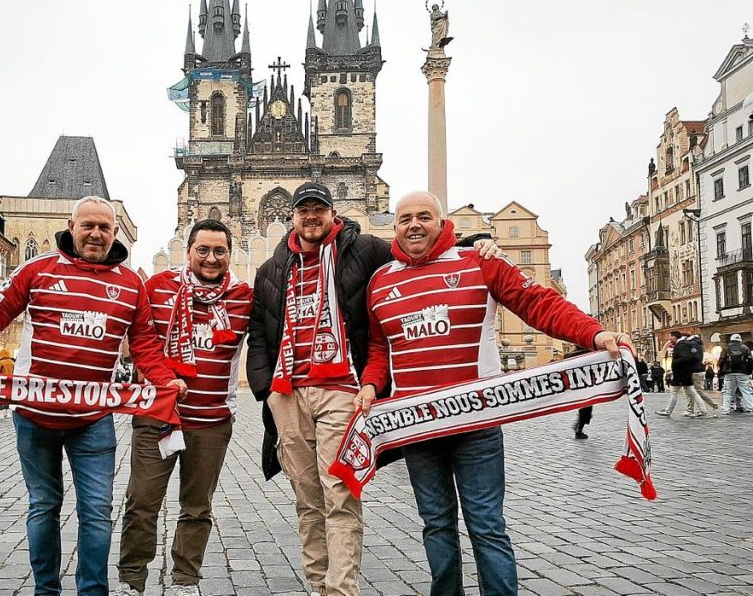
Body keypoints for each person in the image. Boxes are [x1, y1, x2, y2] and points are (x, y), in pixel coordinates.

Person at [0, 195, 185, 596]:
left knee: (97, 514)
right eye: (88, 225)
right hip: (35, 417)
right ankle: (46, 591)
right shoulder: (37, 269)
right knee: (44, 506)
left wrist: (165, 381)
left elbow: (145, 347)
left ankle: (92, 592)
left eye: (104, 227)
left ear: (116, 232)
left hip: (93, 420)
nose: (96, 234)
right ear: (71, 227)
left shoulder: (130, 283)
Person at [360, 191, 628, 596]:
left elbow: (538, 303)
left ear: (441, 222)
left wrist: (593, 332)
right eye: (405, 218)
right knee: (435, 524)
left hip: (476, 423)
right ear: (395, 227)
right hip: (417, 426)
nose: (414, 224)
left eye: (424, 217)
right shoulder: (380, 281)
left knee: (486, 524)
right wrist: (369, 383)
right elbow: (381, 347)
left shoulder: (478, 262)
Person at [246, 183, 498, 596]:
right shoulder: (273, 267)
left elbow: (416, 252)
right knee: (307, 499)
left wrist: (474, 243)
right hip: (288, 393)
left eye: (319, 209)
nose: (311, 216)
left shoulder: (363, 250)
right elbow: (259, 329)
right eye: (303, 209)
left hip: (342, 390)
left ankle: (341, 590)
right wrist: (264, 389)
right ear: (292, 215)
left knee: (339, 492)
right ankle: (319, 585)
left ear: (333, 213)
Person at [115, 219, 253, 596]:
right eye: (203, 250)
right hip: (157, 415)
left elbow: (269, 343)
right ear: (188, 250)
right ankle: (132, 579)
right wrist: (160, 379)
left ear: (231, 254)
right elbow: (140, 341)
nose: (211, 258)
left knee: (196, 507)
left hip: (212, 421)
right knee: (141, 501)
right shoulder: (156, 287)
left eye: (219, 251)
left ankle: (185, 580)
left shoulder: (244, 295)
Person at [656, 332, 708, 418]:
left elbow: (685, 357)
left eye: (670, 337)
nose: (670, 340)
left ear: (675, 337)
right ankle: (703, 410)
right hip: (685, 372)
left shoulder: (681, 345)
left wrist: (675, 362)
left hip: (680, 373)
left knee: (674, 392)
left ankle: (668, 411)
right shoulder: (685, 344)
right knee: (692, 391)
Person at [718, 334, 753, 414]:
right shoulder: (745, 348)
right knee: (746, 391)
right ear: (740, 340)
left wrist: (721, 372)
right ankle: (750, 407)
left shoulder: (726, 348)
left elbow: (721, 361)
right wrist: (749, 372)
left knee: (728, 391)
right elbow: (751, 361)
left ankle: (726, 409)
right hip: (743, 373)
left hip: (729, 372)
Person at [0, 348, 14, 419]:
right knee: (7, 397)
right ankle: (7, 413)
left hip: (1, 382)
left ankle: (0, 413)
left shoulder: (0, 362)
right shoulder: (12, 362)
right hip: (10, 382)